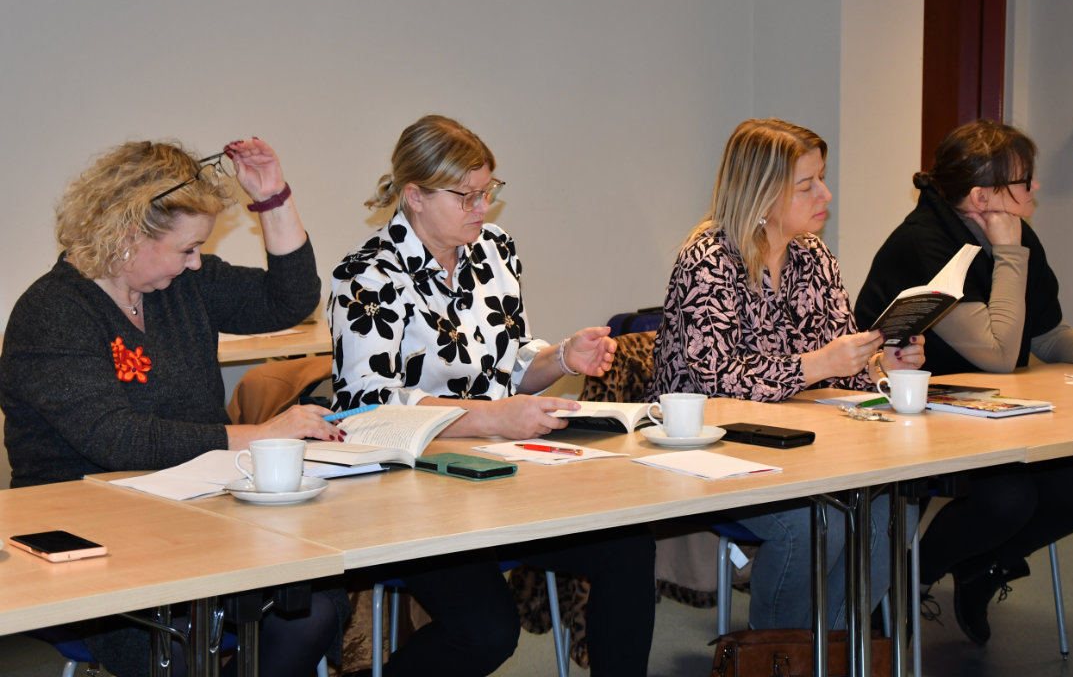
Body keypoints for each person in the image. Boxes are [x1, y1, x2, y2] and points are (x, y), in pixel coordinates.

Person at [0, 138, 345, 677]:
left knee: (312, 612)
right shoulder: (52, 312)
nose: (197, 261)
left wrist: (273, 199)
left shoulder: (183, 285)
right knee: (176, 656)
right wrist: (257, 434)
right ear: (128, 236)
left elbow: (290, 300)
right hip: (86, 539)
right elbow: (120, 440)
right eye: (187, 248)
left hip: (194, 519)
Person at [328, 114, 656, 677]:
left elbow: (508, 367)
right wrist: (493, 418)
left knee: (628, 547)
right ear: (415, 196)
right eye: (467, 196)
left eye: (488, 192)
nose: (483, 208)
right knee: (487, 632)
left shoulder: (494, 250)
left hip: (502, 476)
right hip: (407, 496)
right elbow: (369, 406)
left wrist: (562, 358)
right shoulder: (367, 276)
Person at [853, 118, 1073, 645]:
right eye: (1023, 181)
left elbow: (1047, 335)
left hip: (987, 413)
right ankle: (908, 582)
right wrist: (1009, 254)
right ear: (982, 197)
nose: (1035, 187)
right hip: (911, 415)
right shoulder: (925, 244)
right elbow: (999, 353)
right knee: (1007, 498)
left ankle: (983, 567)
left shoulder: (1014, 233)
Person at [648, 117, 925, 631]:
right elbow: (719, 381)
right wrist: (821, 364)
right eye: (807, 184)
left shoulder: (813, 256)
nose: (826, 194)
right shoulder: (708, 258)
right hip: (712, 450)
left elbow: (841, 368)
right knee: (812, 525)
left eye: (822, 178)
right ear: (761, 192)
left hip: (798, 443)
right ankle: (777, 657)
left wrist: (880, 366)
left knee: (894, 513)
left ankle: (827, 651)